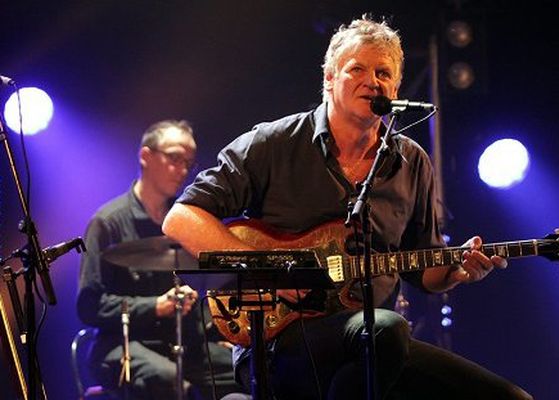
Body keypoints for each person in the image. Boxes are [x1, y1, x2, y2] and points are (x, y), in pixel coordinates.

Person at [162, 17, 533, 400]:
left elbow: (426, 271)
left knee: (509, 398)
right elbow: (182, 217)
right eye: (357, 68)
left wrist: (458, 269)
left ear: (396, 87)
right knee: (386, 329)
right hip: (280, 341)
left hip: (376, 345)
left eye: (383, 72)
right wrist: (263, 267)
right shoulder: (273, 143)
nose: (372, 80)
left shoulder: (412, 161)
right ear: (329, 77)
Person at [76, 120, 241, 399]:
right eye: (175, 158)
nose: (183, 170)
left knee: (246, 368)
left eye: (189, 162)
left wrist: (222, 335)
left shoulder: (182, 222)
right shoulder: (108, 222)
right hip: (124, 344)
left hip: (180, 343)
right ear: (145, 156)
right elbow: (90, 305)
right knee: (170, 382)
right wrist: (155, 306)